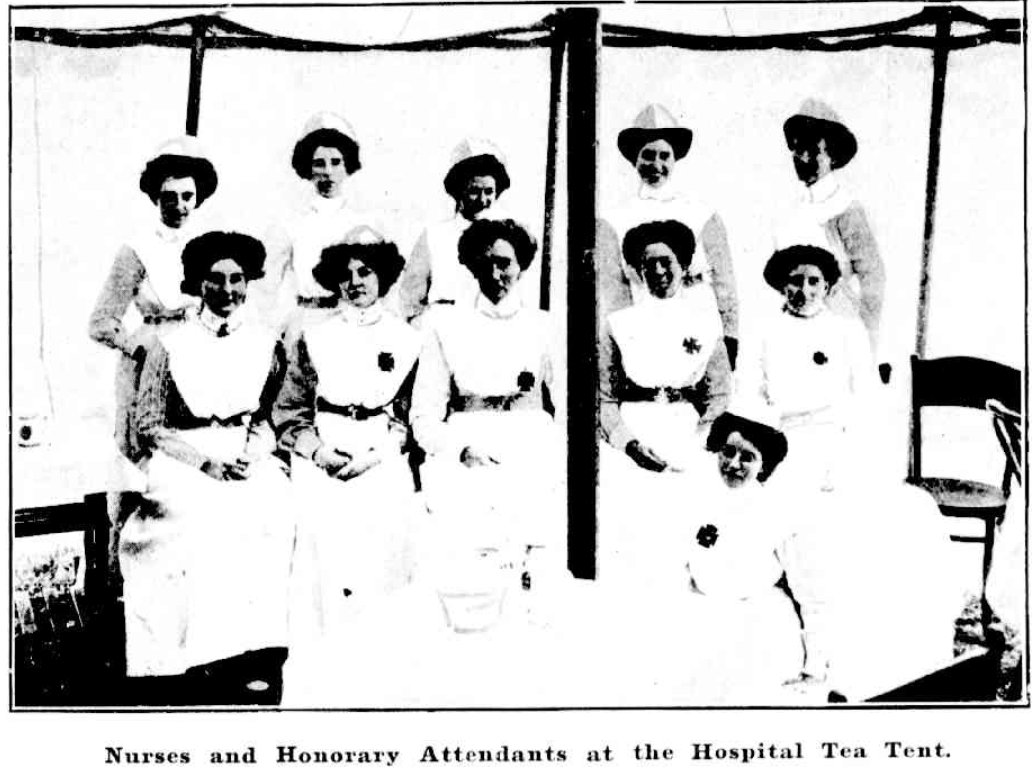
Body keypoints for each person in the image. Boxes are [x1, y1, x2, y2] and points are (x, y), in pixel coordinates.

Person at [122, 231, 293, 704]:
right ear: (198, 284)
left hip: (243, 452)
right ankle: (191, 660)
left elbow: (265, 416)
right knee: (196, 517)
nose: (227, 290)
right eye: (215, 280)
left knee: (272, 508)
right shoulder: (168, 343)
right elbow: (150, 425)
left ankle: (255, 655)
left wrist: (253, 453)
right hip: (184, 455)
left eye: (237, 279)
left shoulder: (265, 342)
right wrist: (204, 463)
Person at [274, 226, 422, 639]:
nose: (355, 282)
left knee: (387, 557)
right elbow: (290, 412)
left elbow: (409, 417)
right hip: (324, 453)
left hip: (382, 455)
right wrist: (319, 453)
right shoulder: (314, 335)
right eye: (347, 273)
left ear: (383, 278)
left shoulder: (407, 339)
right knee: (325, 562)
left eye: (366, 272)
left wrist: (377, 455)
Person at [88, 136, 218, 584]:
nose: (180, 205)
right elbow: (102, 321)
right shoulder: (138, 249)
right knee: (144, 474)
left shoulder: (209, 243)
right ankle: (127, 579)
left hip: (200, 360)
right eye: (170, 197)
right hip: (149, 367)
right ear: (154, 197)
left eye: (188, 196)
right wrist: (138, 344)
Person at [410, 218, 563, 563]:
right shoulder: (446, 325)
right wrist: (458, 449)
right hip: (468, 449)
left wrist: (548, 450)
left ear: (521, 265)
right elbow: (424, 412)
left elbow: (566, 406)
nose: (495, 274)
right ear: (471, 266)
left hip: (530, 448)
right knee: (472, 558)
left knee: (530, 559)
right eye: (486, 263)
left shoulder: (543, 325)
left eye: (505, 263)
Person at [597, 220, 731, 580]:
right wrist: (628, 444)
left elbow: (718, 395)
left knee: (681, 531)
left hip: (686, 431)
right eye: (648, 263)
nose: (657, 271)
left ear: (683, 265)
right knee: (633, 537)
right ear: (637, 270)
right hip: (634, 429)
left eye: (666, 262)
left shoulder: (706, 323)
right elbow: (605, 399)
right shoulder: (617, 323)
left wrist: (700, 440)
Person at [601, 104, 738, 363]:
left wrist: (731, 336)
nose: (656, 164)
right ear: (634, 159)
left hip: (698, 321)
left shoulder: (702, 214)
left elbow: (725, 284)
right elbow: (612, 292)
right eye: (648, 155)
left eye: (664, 156)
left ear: (675, 159)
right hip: (642, 322)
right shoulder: (614, 220)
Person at [736, 244, 876, 491]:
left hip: (836, 439)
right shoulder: (762, 331)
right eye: (795, 281)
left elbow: (865, 396)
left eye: (814, 282)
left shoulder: (848, 331)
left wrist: (848, 443)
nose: (804, 290)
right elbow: (749, 393)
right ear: (782, 285)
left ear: (826, 287)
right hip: (780, 438)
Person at [775, 99, 888, 378]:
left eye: (812, 150)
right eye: (797, 148)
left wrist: (867, 343)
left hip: (838, 325)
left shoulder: (846, 209)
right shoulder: (792, 213)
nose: (802, 158)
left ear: (832, 156)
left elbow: (873, 278)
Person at [267, 112, 371, 323]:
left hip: (351, 320)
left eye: (335, 162)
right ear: (307, 167)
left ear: (347, 165)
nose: (328, 172)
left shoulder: (362, 224)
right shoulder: (292, 223)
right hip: (307, 320)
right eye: (319, 164)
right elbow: (265, 285)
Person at [395, 138, 514, 323]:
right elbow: (409, 300)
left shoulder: (508, 239)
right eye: (475, 190)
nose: (482, 200)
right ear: (459, 190)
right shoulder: (435, 236)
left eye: (489, 191)